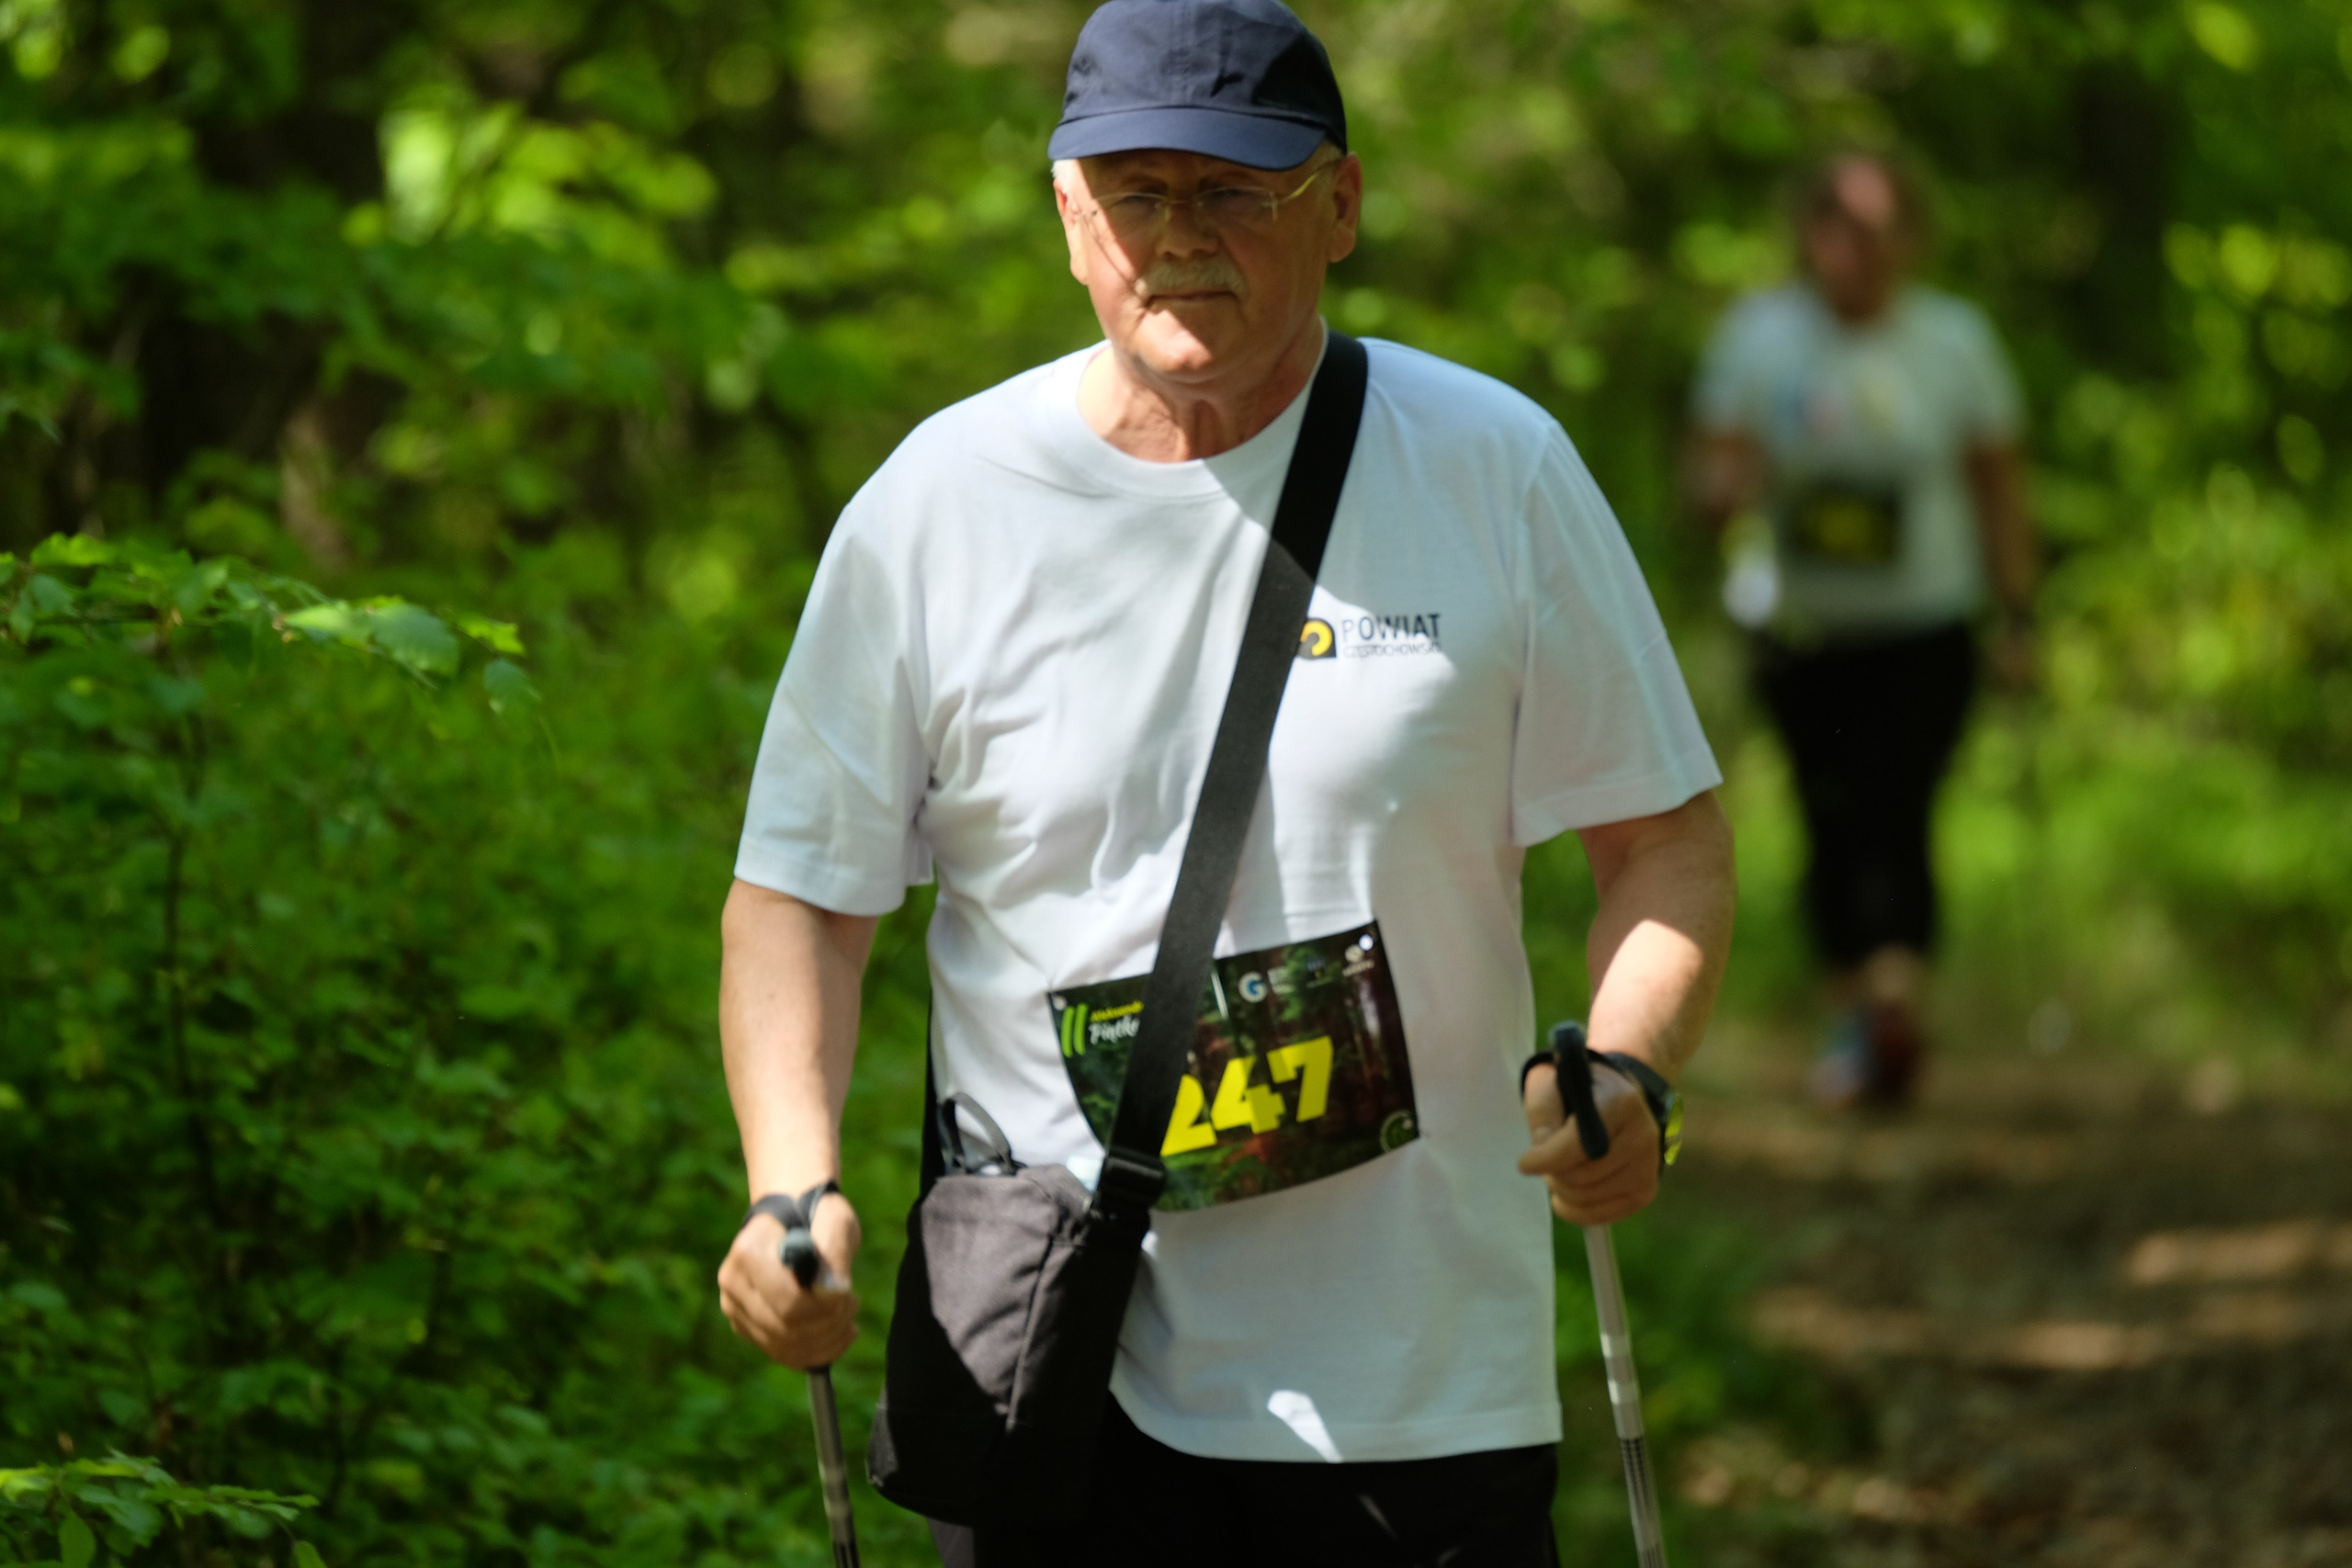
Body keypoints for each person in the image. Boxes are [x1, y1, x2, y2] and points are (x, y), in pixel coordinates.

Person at [714, 2, 1735, 1562]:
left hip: (1413, 1379)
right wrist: (793, 1192)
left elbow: (1664, 842)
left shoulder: (1493, 468)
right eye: (1136, 193)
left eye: (1233, 191)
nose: (1176, 238)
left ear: (1339, 205)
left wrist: (1628, 1064)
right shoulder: (938, 509)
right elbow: (799, 902)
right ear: (1070, 218)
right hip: (1049, 1369)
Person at [1687, 152, 2038, 1109]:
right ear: (1807, 234)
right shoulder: (1758, 339)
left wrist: (2018, 615)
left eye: (1881, 229)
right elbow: (1713, 472)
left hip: (1925, 626)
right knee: (1827, 816)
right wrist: (1725, 494)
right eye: (1840, 226)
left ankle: (1891, 1005)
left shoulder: (1953, 343)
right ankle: (1860, 1012)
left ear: (1912, 239)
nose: (1860, 250)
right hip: (1799, 631)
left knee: (1897, 808)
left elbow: (1997, 483)